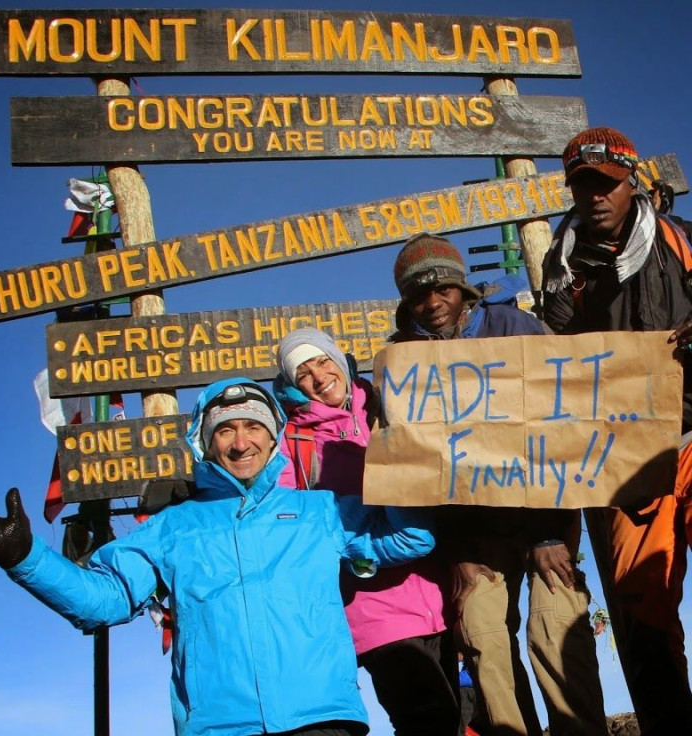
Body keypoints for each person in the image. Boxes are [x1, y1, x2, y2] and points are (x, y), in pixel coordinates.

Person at [0, 377, 438, 736]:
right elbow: (102, 601)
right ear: (205, 442)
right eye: (225, 430)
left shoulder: (319, 510)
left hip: (322, 719)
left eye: (253, 426)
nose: (241, 441)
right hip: (218, 726)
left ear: (274, 438)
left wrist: (395, 465)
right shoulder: (174, 527)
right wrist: (23, 556)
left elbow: (410, 540)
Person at [391, 232, 608, 736]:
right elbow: (416, 468)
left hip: (544, 521)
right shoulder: (402, 359)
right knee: (486, 641)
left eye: (441, 289)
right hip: (473, 540)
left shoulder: (514, 327)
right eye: (419, 295)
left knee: (556, 634)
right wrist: (458, 554)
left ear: (460, 288)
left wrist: (550, 532)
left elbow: (565, 424)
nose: (432, 303)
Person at [542, 126, 692, 735]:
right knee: (640, 605)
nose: (594, 197)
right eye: (582, 185)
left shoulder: (681, 247)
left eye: (605, 184)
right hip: (628, 460)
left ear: (633, 183)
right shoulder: (562, 270)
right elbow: (547, 362)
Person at [273, 327, 460, 736]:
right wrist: (363, 538)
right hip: (374, 609)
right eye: (302, 373)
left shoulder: (387, 402)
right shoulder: (293, 443)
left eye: (322, 361)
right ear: (291, 385)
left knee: (459, 717)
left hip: (440, 592)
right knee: (426, 720)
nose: (319, 377)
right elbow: (291, 521)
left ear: (339, 360)